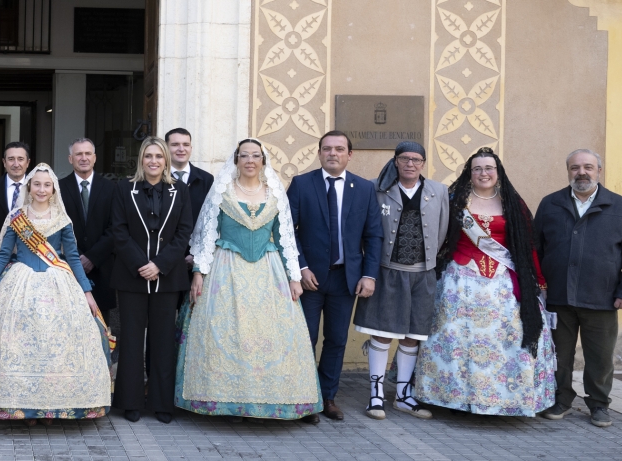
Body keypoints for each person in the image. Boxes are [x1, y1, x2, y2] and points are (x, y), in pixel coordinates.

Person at [178, 139, 321, 420]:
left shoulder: (275, 194)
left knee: (269, 333)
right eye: (244, 156)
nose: (250, 161)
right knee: (226, 331)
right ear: (236, 160)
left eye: (256, 156)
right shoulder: (222, 191)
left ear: (263, 161)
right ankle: (223, 399)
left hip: (269, 272)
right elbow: (208, 235)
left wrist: (294, 276)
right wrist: (198, 272)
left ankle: (276, 400)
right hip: (226, 269)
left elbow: (286, 239)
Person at [416, 148, 556, 417]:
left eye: (489, 168)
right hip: (459, 282)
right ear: (470, 173)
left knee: (508, 340)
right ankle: (453, 398)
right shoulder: (455, 200)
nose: (483, 173)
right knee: (455, 339)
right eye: (477, 168)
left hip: (502, 286)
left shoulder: (512, 203)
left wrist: (539, 281)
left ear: (498, 172)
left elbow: (528, 245)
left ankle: (505, 399)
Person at [0, 164, 112, 423]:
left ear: (54, 189)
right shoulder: (17, 217)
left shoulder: (62, 219)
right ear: (29, 188)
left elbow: (73, 258)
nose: (42, 189)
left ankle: (53, 407)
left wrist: (87, 291)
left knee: (55, 348)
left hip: (59, 284)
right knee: (20, 346)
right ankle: (24, 407)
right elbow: (3, 255)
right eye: (37, 184)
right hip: (19, 284)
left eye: (47, 185)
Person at [534, 149, 622, 428]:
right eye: (575, 168)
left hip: (603, 297)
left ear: (599, 171)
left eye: (588, 167)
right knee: (559, 355)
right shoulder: (551, 204)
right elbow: (534, 249)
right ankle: (560, 400)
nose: (581, 173)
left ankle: (598, 404)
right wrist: (537, 287)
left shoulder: (620, 207)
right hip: (558, 297)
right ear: (568, 171)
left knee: (600, 357)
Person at [286, 130, 382, 422]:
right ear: (319, 153)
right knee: (306, 338)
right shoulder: (302, 184)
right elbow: (289, 231)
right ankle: (305, 398)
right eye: (327, 149)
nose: (333, 153)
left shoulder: (364, 188)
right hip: (309, 279)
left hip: (346, 279)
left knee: (337, 339)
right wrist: (300, 267)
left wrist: (369, 275)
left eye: (339, 149)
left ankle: (327, 397)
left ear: (349, 155)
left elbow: (374, 235)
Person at [354, 141, 448, 420]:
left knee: (412, 335)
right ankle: (376, 395)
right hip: (386, 270)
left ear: (423, 163)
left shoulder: (439, 191)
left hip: (422, 273)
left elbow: (443, 228)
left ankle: (404, 396)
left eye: (416, 159)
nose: (410, 164)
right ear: (395, 161)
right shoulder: (376, 188)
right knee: (382, 331)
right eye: (405, 158)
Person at [109, 136, 194, 423]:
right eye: (148, 156)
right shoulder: (125, 189)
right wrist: (141, 264)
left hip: (167, 278)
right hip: (132, 277)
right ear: (141, 160)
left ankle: (161, 403)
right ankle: (130, 401)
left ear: (166, 160)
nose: (154, 161)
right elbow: (118, 231)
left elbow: (184, 233)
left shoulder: (179, 191)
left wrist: (159, 264)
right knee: (131, 341)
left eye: (159, 156)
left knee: (162, 341)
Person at [58, 138, 120, 327]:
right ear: (70, 158)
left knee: (102, 327)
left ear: (95, 158)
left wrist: (92, 257)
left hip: (102, 268)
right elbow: (56, 227)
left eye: (87, 154)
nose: (83, 158)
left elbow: (116, 227)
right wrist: (76, 258)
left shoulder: (112, 188)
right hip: (67, 268)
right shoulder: (58, 188)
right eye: (78, 154)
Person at [0, 142, 32, 234]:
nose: (16, 164)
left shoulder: (38, 189)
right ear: (4, 162)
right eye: (11, 159)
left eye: (20, 159)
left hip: (30, 246)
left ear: (27, 163)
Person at [165, 128, 214, 214]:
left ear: (191, 148)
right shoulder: (158, 177)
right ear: (165, 148)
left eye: (186, 144)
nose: (181, 149)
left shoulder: (207, 179)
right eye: (175, 144)